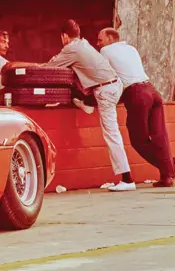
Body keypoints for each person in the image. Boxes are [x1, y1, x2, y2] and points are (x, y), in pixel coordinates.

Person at [43, 20, 135, 192]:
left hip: (105, 91)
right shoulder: (83, 44)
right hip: (113, 85)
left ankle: (127, 179)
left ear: (64, 36)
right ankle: (86, 103)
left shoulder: (71, 48)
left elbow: (50, 68)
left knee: (111, 133)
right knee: (78, 87)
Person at [97, 28, 174, 188]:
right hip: (153, 91)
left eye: (100, 40)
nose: (98, 44)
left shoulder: (105, 51)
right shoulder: (131, 49)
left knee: (139, 141)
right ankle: (167, 176)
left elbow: (105, 76)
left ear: (110, 39)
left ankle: (170, 167)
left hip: (137, 94)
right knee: (160, 136)